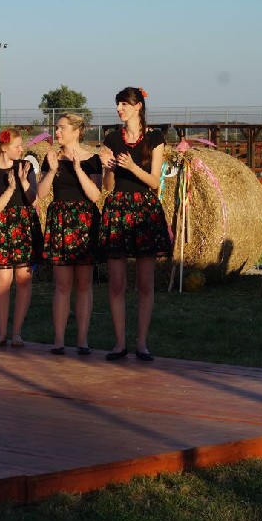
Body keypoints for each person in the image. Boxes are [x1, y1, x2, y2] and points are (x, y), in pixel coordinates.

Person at [98, 87, 172, 362]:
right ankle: (120, 343)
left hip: (144, 211)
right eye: (118, 104)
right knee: (116, 284)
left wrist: (131, 167)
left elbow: (154, 181)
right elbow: (108, 187)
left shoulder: (155, 138)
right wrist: (108, 168)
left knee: (145, 283)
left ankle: (141, 343)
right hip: (118, 208)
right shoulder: (112, 138)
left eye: (124, 104)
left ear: (138, 106)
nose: (119, 109)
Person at [37, 113, 103, 355]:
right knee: (62, 285)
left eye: (62, 128)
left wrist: (78, 169)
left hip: (85, 222)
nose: (57, 132)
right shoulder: (51, 158)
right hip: (60, 222)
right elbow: (41, 194)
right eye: (57, 128)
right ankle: (59, 340)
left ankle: (83, 341)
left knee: (84, 284)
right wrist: (52, 170)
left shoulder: (92, 160)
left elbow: (95, 195)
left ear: (76, 131)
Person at [0, 128, 41, 348]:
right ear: (4, 148)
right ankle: (1, 333)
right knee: (3, 281)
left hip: (24, 226)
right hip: (3, 228)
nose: (22, 149)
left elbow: (35, 200)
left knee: (23, 279)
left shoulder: (26, 167)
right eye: (18, 146)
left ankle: (17, 333)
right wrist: (10, 189)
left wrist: (24, 183)